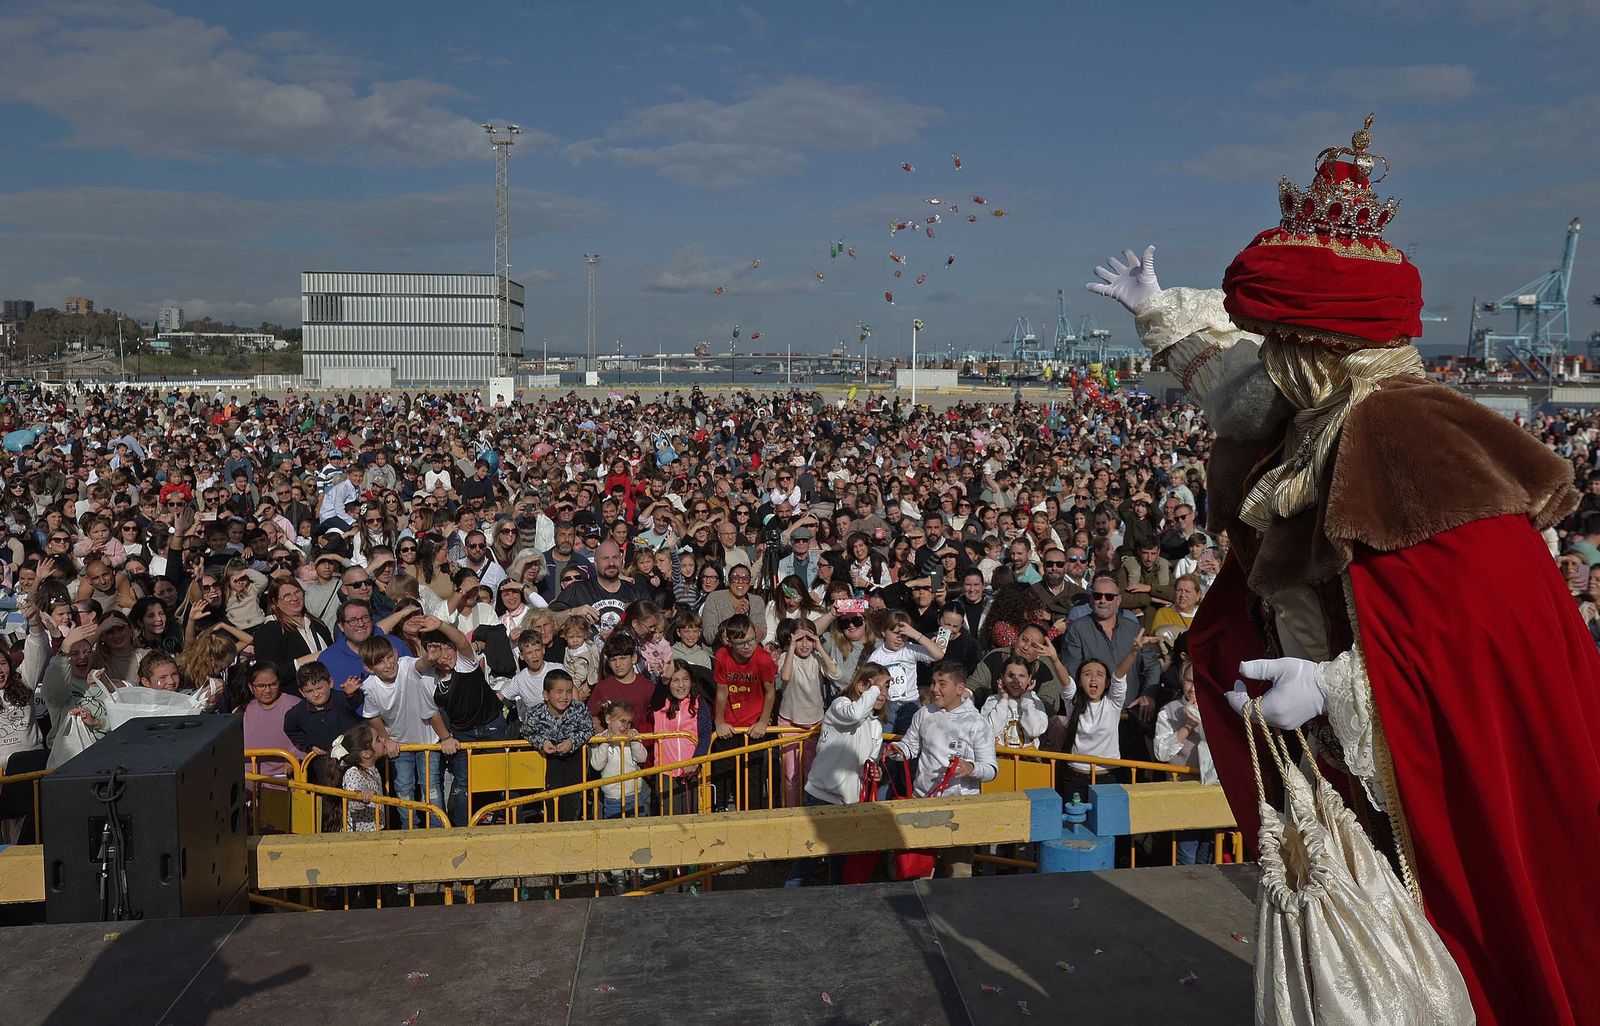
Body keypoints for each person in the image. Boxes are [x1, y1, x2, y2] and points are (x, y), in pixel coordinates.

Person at [1089, 118, 1600, 1023]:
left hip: (1407, 755)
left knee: (1449, 940)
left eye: (1277, 339)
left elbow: (1476, 644)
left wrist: (1335, 689)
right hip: (1349, 762)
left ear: (1319, 344)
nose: (1264, 358)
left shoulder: (1411, 439)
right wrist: (1161, 315)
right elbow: (1236, 378)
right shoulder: (1323, 404)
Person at [885, 661, 997, 877]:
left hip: (959, 808)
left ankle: (956, 911)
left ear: (960, 688)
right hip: (923, 802)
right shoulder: (924, 713)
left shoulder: (977, 723)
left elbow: (991, 769)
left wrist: (971, 768)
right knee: (919, 872)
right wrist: (897, 751)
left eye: (942, 684)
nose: (934, 689)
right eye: (934, 682)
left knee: (959, 872)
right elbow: (910, 747)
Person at [786, 664, 890, 887]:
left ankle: (837, 912)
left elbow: (866, 763)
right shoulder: (840, 705)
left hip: (848, 802)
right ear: (861, 686)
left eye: (887, 687)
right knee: (807, 861)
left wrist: (874, 772)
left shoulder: (875, 725)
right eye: (878, 686)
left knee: (841, 867)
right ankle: (785, 906)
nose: (882, 693)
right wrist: (872, 690)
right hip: (820, 796)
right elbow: (854, 714)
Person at [356, 632, 457, 828]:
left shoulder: (406, 665)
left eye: (389, 657)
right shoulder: (369, 687)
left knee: (431, 788)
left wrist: (431, 656)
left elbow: (420, 664)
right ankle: (409, 828)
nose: (388, 664)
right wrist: (386, 739)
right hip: (399, 744)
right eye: (380, 662)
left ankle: (438, 829)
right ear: (369, 668)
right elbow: (372, 716)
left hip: (428, 740)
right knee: (403, 788)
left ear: (395, 653)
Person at [418, 618, 511, 827]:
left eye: (448, 648)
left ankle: (509, 822)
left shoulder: (464, 662)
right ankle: (460, 829)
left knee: (501, 776)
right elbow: (431, 713)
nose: (446, 655)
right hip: (462, 733)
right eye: (438, 652)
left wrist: (440, 625)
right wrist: (446, 738)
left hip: (492, 725)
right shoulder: (427, 679)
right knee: (463, 783)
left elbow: (461, 641)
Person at [709, 614, 777, 810]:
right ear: (729, 642)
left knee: (751, 776)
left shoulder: (763, 659)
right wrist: (719, 722)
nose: (748, 646)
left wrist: (763, 722)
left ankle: (751, 815)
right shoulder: (722, 656)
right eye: (742, 643)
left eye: (751, 640)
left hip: (754, 724)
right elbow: (721, 692)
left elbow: (770, 693)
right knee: (722, 771)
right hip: (729, 723)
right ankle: (718, 812)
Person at [1152, 659, 1216, 865]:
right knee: (1187, 851)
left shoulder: (1216, 711)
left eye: (1198, 682)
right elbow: (1161, 753)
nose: (1193, 687)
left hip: (1211, 789)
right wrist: (1187, 727)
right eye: (1189, 681)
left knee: (1208, 850)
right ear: (1182, 681)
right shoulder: (1169, 710)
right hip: (1182, 789)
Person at [774, 619, 838, 807]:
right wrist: (791, 648)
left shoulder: (818, 659)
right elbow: (785, 676)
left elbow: (835, 674)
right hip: (790, 722)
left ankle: (811, 811)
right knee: (790, 774)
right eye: (800, 639)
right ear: (792, 639)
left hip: (814, 724)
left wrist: (819, 646)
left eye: (808, 639)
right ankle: (792, 812)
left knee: (811, 772)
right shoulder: (785, 657)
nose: (805, 644)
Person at [517, 668, 594, 823]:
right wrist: (542, 742)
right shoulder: (535, 714)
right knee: (551, 796)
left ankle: (571, 826)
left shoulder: (579, 709)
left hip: (574, 758)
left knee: (573, 797)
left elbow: (589, 729)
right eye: (559, 692)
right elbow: (526, 732)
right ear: (546, 695)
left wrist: (573, 741)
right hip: (550, 761)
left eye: (568, 692)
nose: (564, 697)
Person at [866, 609, 946, 734]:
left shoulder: (910, 649)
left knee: (907, 740)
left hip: (910, 704)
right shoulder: (876, 657)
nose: (899, 639)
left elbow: (938, 655)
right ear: (883, 632)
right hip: (886, 704)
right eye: (895, 633)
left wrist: (916, 635)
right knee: (884, 738)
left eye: (904, 635)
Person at [649, 659, 713, 814]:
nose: (681, 685)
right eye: (675, 680)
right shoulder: (661, 704)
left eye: (685, 679)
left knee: (694, 815)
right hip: (666, 771)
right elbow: (656, 698)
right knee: (671, 816)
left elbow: (705, 734)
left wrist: (696, 760)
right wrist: (664, 680)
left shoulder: (698, 703)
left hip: (692, 770)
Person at [239, 660, 304, 781]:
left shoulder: (294, 705)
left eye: (273, 684)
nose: (267, 691)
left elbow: (308, 735)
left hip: (283, 777)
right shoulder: (243, 709)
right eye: (261, 686)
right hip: (248, 776)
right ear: (250, 687)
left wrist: (294, 758)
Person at [283, 661, 365, 756]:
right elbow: (290, 729)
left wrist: (351, 694)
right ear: (301, 692)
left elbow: (354, 703)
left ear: (330, 683)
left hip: (354, 753)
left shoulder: (341, 698)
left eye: (319, 688)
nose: (316, 694)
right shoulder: (297, 713)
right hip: (324, 758)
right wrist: (309, 746)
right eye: (309, 691)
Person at [590, 699, 651, 820]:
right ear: (608, 719)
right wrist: (605, 743)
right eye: (622, 721)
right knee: (614, 832)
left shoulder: (632, 736)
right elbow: (597, 765)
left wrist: (634, 741)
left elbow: (642, 758)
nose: (625, 726)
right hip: (613, 799)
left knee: (638, 830)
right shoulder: (598, 739)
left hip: (635, 795)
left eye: (629, 722)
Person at [980, 655, 1049, 749]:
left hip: (1028, 760)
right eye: (1011, 675)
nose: (1016, 681)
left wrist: (1026, 700)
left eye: (1022, 676)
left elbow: (1034, 731)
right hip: (998, 758)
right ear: (1002, 677)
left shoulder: (1035, 702)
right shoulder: (993, 701)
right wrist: (1003, 700)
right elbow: (990, 732)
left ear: (1029, 678)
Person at [334, 722, 384, 833]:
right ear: (366, 753)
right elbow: (352, 803)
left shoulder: (372, 768)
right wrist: (363, 795)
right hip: (358, 835)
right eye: (378, 740)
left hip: (373, 829)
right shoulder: (354, 773)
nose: (383, 741)